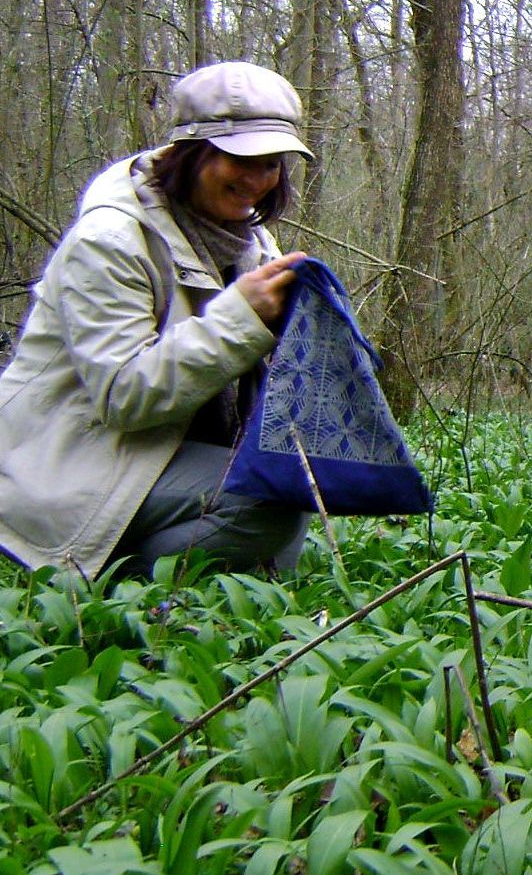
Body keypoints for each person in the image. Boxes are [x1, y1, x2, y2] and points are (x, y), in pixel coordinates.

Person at [0, 61, 316, 578]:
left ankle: (226, 595)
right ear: (189, 152)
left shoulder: (245, 239)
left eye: (272, 162)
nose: (257, 180)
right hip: (67, 462)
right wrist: (243, 318)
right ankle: (116, 587)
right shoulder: (110, 240)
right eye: (241, 159)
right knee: (266, 500)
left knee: (293, 479)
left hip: (159, 451)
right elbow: (124, 394)